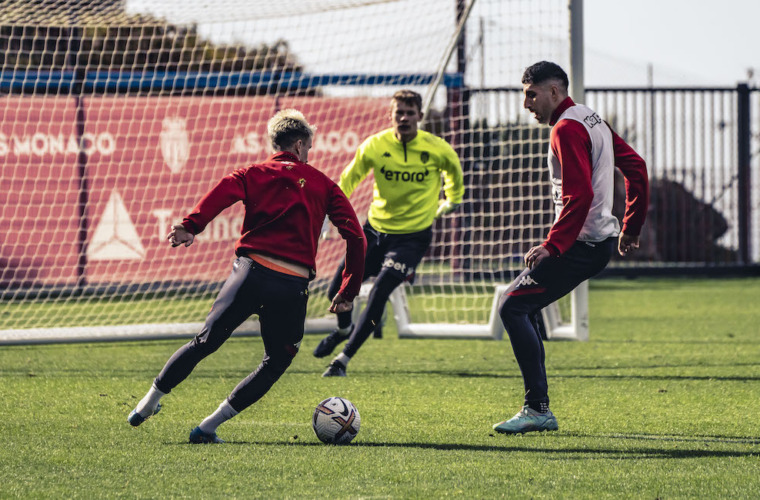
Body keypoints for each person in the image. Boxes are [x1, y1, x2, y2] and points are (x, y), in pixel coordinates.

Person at [127, 109, 366, 443]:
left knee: (204, 342)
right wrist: (348, 290)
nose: (308, 155)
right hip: (290, 286)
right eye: (308, 148)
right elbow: (356, 237)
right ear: (299, 145)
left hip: (248, 275)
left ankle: (147, 403)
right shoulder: (324, 185)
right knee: (278, 359)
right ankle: (207, 427)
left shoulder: (253, 172)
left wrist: (190, 225)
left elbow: (223, 191)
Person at [492, 61, 649, 434]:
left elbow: (580, 194)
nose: (526, 103)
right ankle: (538, 404)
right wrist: (630, 225)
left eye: (531, 94)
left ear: (553, 92)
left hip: (581, 245)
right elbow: (637, 168)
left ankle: (537, 408)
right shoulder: (590, 118)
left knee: (513, 307)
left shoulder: (565, 128)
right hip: (597, 242)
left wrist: (553, 245)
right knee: (523, 308)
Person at [313, 89, 465, 377]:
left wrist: (441, 209)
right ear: (391, 115)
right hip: (374, 232)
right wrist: (326, 215)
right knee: (336, 290)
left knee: (380, 293)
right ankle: (344, 330)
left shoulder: (440, 150)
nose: (404, 118)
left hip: (412, 239)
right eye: (399, 113)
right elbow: (347, 181)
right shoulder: (375, 145)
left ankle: (342, 361)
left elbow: (455, 190)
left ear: (420, 116)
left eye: (410, 113)